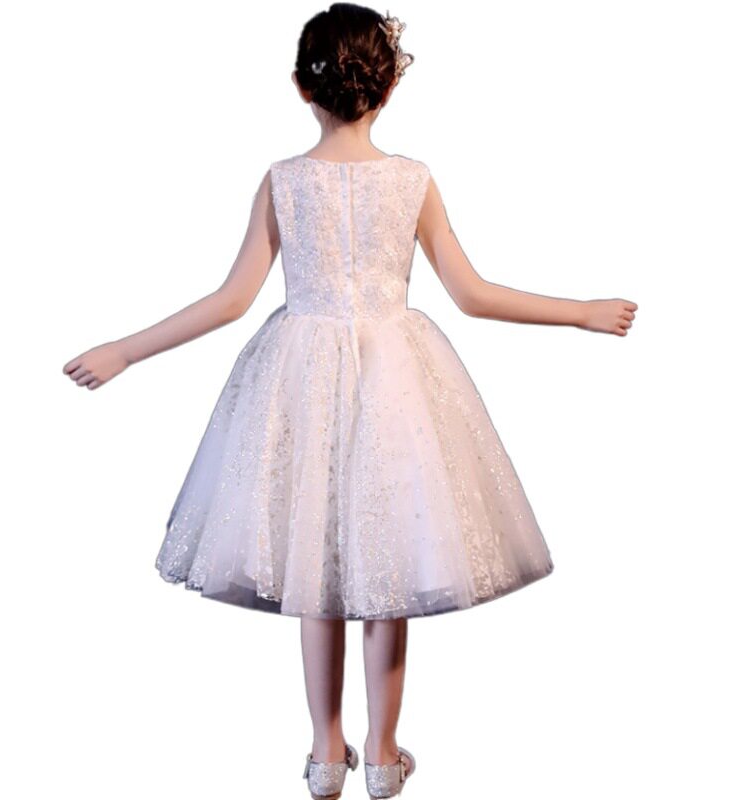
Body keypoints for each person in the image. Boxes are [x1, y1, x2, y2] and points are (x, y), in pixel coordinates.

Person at [62, 4, 638, 798]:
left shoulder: (283, 182)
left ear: (302, 86)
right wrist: (579, 312)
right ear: (390, 86)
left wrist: (125, 350)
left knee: (318, 559)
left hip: (299, 383)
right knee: (386, 559)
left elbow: (231, 300)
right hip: (398, 383)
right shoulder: (412, 181)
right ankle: (384, 755)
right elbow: (472, 294)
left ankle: (327, 752)